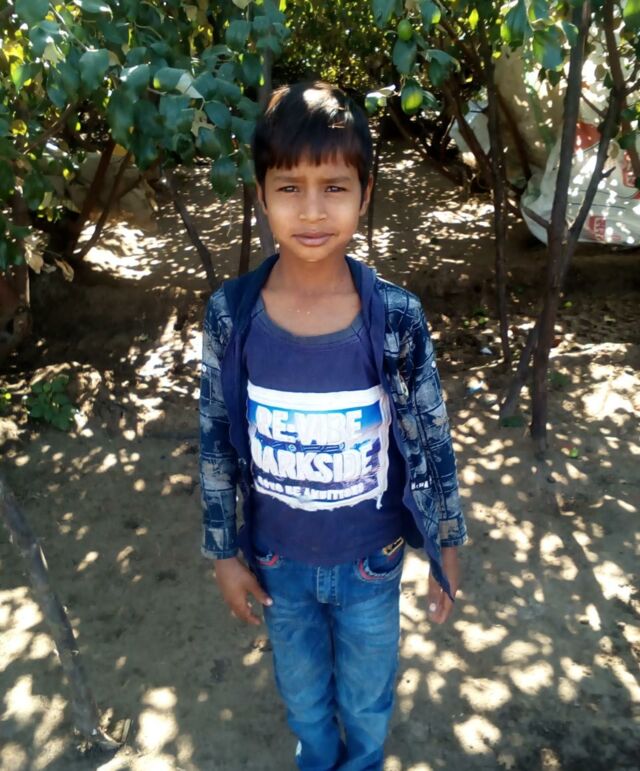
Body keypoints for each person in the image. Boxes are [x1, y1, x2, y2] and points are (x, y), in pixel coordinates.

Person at [199, 81, 468, 771]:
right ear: (261, 194)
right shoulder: (232, 314)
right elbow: (216, 439)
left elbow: (431, 436)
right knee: (303, 698)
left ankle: (364, 761)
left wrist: (446, 541)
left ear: (365, 192)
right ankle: (318, 759)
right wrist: (225, 553)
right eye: (290, 187)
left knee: (368, 696)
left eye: (335, 187)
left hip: (372, 563)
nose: (313, 210)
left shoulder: (396, 317)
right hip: (277, 564)